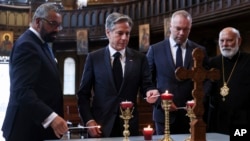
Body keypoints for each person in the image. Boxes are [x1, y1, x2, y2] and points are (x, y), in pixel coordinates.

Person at [77, 12, 159, 138]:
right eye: (120, 33)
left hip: (129, 124)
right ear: (108, 32)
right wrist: (88, 121)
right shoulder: (94, 58)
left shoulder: (140, 58)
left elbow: (146, 86)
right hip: (100, 125)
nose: (125, 38)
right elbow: (83, 94)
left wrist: (150, 92)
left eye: (127, 33)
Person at [1, 3, 68, 141]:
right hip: (26, 130)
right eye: (53, 24)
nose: (57, 29)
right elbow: (22, 91)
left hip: (38, 129)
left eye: (59, 25)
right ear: (38, 21)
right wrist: (52, 118)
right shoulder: (27, 45)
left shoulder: (41, 44)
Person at [146, 10, 208, 134]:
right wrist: (161, 101)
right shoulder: (155, 49)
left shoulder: (199, 51)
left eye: (186, 29)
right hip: (164, 115)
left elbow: (206, 80)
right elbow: (147, 81)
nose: (181, 33)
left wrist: (198, 101)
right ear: (170, 26)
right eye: (178, 28)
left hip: (191, 115)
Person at [207, 27, 250, 134]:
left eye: (229, 40)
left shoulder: (248, 61)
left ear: (238, 41)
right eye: (222, 40)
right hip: (217, 119)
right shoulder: (212, 63)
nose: (224, 44)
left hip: (243, 119)